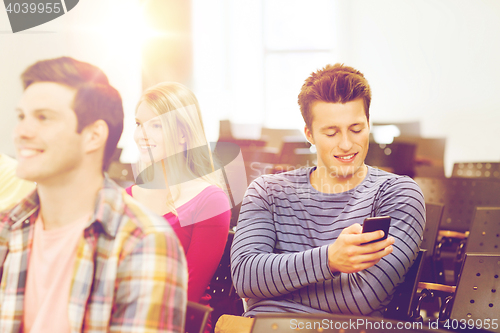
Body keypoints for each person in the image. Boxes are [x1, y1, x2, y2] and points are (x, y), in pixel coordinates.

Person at [0, 57, 187, 333]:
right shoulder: (8, 227)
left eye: (43, 117)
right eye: (21, 117)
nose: (21, 132)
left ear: (93, 135)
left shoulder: (143, 241)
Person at [231, 63, 425, 317]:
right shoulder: (267, 191)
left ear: (368, 123)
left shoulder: (397, 193)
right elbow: (245, 277)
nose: (346, 144)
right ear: (309, 134)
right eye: (331, 133)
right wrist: (330, 260)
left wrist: (271, 288)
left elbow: (361, 297)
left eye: (356, 129)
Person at [126, 82, 230, 328]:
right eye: (139, 124)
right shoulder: (127, 197)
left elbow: (186, 292)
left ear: (184, 134)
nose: (143, 135)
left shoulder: (210, 201)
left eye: (157, 125)